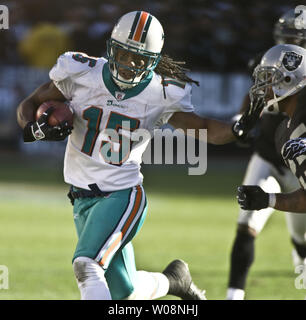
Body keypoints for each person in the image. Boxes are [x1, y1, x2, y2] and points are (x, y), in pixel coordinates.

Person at [17, 11, 257, 300]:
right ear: (112, 48)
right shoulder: (82, 72)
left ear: (154, 60)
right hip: (82, 198)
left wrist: (237, 129)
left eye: (141, 59)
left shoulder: (161, 92)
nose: (131, 65)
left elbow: (203, 127)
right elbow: (30, 104)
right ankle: (174, 281)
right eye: (125, 54)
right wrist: (33, 128)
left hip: (122, 195)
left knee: (87, 265)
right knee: (125, 293)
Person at [226, 9, 306, 300]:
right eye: (284, 38)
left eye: (295, 39)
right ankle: (234, 295)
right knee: (247, 222)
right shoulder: (274, 62)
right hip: (272, 157)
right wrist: (243, 118)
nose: (288, 44)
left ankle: (301, 258)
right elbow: (256, 92)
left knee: (301, 237)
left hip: (296, 161)